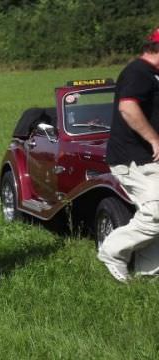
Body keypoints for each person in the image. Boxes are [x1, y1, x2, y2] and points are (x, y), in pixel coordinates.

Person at [98, 28, 159, 282]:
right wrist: (154, 139)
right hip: (134, 158)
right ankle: (112, 251)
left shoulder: (153, 74)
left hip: (147, 158)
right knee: (156, 212)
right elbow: (128, 107)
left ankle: (148, 273)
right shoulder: (138, 71)